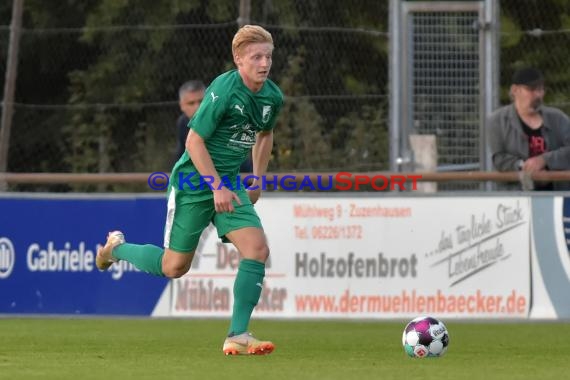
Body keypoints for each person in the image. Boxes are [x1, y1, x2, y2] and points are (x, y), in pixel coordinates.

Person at [96, 25, 284, 355]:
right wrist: (215, 187)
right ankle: (115, 248)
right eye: (256, 56)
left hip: (230, 184)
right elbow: (193, 141)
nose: (264, 63)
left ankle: (238, 334)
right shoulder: (223, 92)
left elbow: (265, 135)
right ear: (238, 59)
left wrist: (257, 176)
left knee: (257, 249)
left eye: (268, 56)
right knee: (174, 267)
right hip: (194, 183)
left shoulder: (272, 96)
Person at [487, 67, 570, 190]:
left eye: (541, 89)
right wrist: (526, 166)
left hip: (558, 195)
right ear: (515, 90)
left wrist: (544, 160)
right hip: (516, 197)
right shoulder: (497, 120)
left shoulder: (557, 118)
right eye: (531, 89)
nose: (538, 94)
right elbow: (499, 159)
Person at [174, 80, 206, 163]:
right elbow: (182, 155)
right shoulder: (183, 122)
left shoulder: (223, 119)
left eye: (201, 101)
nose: (198, 107)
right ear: (182, 106)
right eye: (191, 103)